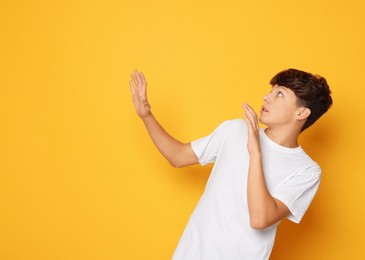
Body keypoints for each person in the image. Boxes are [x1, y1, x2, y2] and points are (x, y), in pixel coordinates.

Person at [129, 68, 333, 260]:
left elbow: (260, 219)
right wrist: (146, 115)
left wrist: (255, 152)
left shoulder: (306, 170)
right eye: (271, 91)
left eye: (280, 93)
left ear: (301, 113)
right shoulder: (235, 130)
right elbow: (178, 156)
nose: (266, 97)